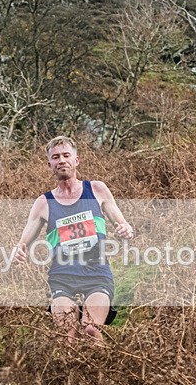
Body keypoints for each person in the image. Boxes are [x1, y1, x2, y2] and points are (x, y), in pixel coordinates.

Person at [13, 136, 134, 342]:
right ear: (49, 164)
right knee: (68, 338)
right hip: (62, 278)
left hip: (97, 275)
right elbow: (22, 244)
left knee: (90, 331)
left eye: (66, 155)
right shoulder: (43, 203)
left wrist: (126, 230)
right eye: (56, 157)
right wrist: (18, 252)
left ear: (76, 160)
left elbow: (124, 227)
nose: (62, 160)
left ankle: (103, 372)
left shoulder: (97, 190)